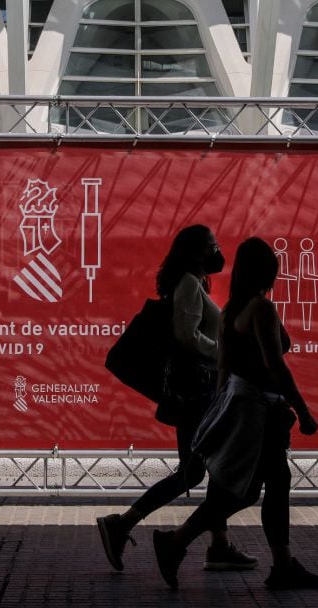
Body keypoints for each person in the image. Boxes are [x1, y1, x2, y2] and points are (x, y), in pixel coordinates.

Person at [152, 237, 318, 591]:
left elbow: (223, 370)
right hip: (262, 415)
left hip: (240, 410)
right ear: (268, 272)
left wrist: (220, 415)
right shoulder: (261, 309)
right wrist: (303, 410)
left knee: (254, 488)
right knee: (266, 485)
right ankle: (180, 543)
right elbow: (276, 366)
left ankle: (277, 562)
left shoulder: (230, 312)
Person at [97, 224, 256, 573]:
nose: (218, 253)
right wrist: (222, 353)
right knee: (193, 472)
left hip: (201, 394)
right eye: (212, 247)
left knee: (206, 469)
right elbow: (186, 336)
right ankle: (122, 524)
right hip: (195, 396)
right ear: (196, 251)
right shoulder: (188, 282)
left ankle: (218, 544)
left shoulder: (193, 283)